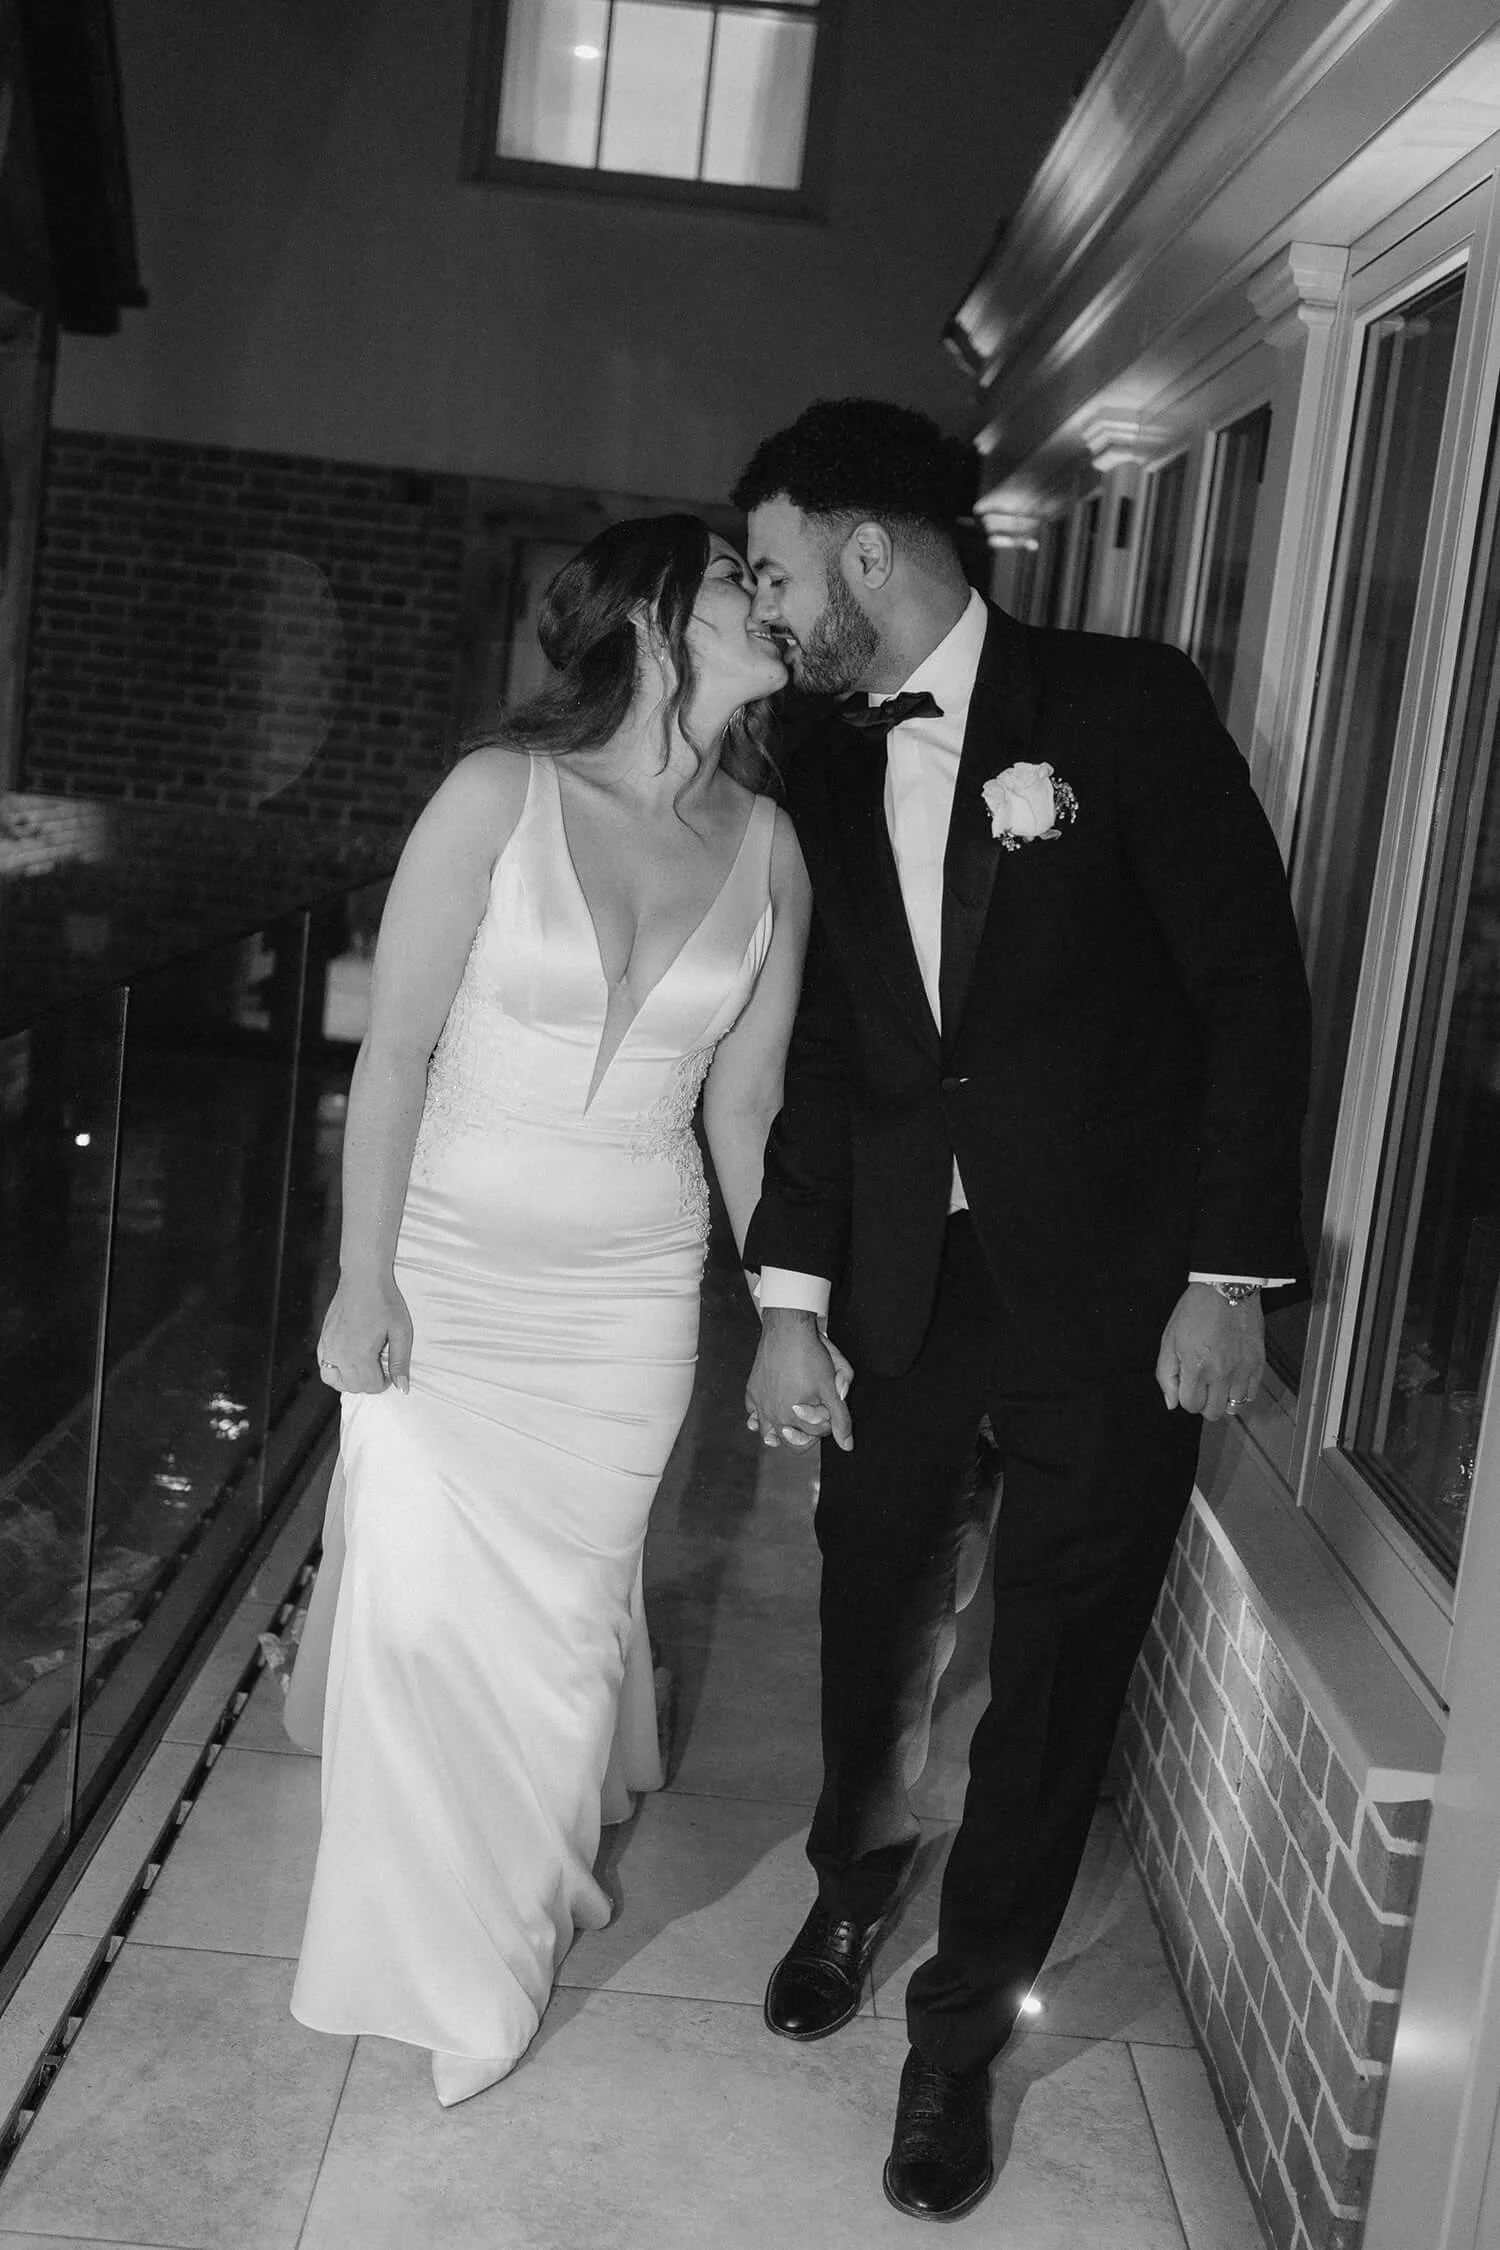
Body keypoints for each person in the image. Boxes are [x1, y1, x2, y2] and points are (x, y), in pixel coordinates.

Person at [733, 399, 1310, 2222]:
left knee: (1057, 1675)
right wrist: (793, 1299)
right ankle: (852, 1869)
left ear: (870, 552)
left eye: (774, 564)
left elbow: (1252, 992)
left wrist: (1231, 1276)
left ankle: (959, 2027)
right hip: (906, 1283)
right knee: (870, 1600)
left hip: (1121, 1299)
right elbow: (835, 1055)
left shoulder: (1126, 707)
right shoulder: (826, 764)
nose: (766, 604)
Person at [286, 515, 810, 2106]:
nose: (769, 600)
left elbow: (751, 1115)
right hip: (451, 1264)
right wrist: (364, 1269)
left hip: (628, 1302)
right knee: (428, 1614)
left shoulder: (771, 843)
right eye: (740, 579)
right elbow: (393, 1051)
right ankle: (437, 1942)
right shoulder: (495, 796)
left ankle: (501, 1929)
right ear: (661, 619)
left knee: (566, 1631)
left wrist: (790, 1301)